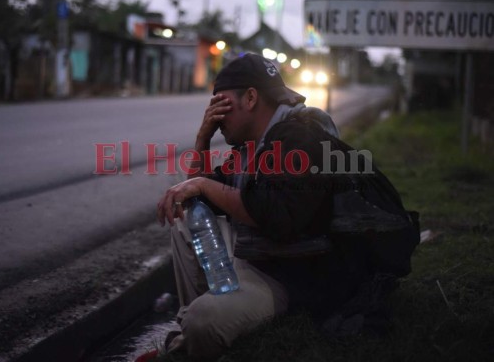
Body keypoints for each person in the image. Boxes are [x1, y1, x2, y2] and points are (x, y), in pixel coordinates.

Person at [156, 53, 418, 360]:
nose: (214, 114)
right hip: (259, 258)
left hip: (289, 278)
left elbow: (277, 217)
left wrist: (202, 185)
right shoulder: (253, 146)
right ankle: (198, 333)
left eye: (220, 103)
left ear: (251, 98)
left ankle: (198, 333)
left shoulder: (301, 137)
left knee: (203, 321)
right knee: (184, 217)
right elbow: (195, 199)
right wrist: (202, 139)